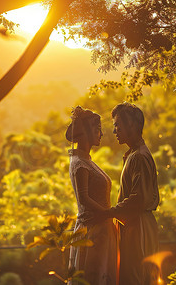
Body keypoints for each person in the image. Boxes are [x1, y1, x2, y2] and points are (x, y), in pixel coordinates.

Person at [102, 102, 160, 285]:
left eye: (118, 125)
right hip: (134, 225)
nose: (115, 131)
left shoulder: (139, 157)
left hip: (139, 226)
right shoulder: (134, 154)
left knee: (137, 277)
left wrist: (110, 212)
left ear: (133, 126)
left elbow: (139, 199)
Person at [66, 106, 117, 285]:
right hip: (92, 230)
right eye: (97, 130)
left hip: (102, 228)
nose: (101, 134)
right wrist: (110, 213)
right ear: (87, 132)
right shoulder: (80, 163)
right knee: (94, 276)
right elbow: (84, 199)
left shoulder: (86, 160)